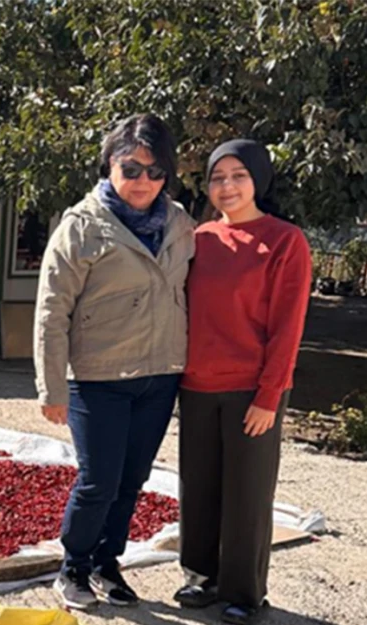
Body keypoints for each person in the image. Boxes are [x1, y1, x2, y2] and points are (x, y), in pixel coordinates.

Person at [34, 114, 195, 610]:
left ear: (167, 174)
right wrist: (51, 388)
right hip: (99, 378)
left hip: (160, 375)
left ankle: (108, 564)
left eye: (154, 171)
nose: (142, 181)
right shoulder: (81, 227)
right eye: (131, 169)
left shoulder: (181, 224)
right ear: (110, 166)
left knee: (132, 480)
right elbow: (51, 309)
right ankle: (73, 567)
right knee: (98, 480)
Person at [173, 140, 312, 625]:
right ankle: (202, 576)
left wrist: (270, 395)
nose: (226, 187)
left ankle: (245, 591)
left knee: (247, 492)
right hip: (195, 386)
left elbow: (288, 326)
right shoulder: (199, 237)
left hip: (252, 389)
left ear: (258, 180)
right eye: (217, 178)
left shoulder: (284, 240)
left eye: (238, 176)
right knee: (200, 486)